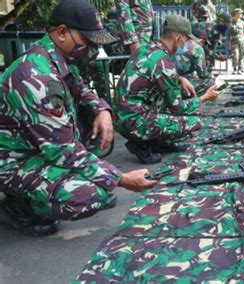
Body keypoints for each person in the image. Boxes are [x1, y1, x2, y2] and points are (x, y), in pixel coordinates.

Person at [0, 0, 157, 237]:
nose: (93, 51)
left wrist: (103, 110)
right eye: (88, 43)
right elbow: (63, 151)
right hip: (13, 161)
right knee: (89, 196)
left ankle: (47, 186)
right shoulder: (38, 77)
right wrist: (121, 179)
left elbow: (82, 89)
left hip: (35, 147)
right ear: (62, 32)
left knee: (97, 144)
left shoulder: (57, 58)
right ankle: (17, 206)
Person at [114, 15, 219, 164]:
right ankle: (141, 143)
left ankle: (159, 143)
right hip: (133, 123)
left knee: (166, 103)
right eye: (186, 40)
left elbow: (151, 75)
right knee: (194, 121)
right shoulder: (164, 61)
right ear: (178, 38)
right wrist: (205, 97)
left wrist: (180, 79)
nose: (186, 44)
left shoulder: (146, 48)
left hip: (121, 117)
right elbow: (178, 107)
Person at [172, 29, 215, 96]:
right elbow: (203, 74)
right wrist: (211, 77)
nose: (204, 46)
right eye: (204, 44)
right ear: (202, 41)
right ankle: (192, 103)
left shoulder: (181, 43)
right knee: (210, 83)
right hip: (174, 84)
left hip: (169, 79)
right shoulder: (197, 48)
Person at [230, 8, 244, 74]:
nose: (241, 14)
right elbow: (228, 33)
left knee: (242, 55)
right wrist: (229, 42)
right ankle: (234, 68)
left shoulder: (242, 23)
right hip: (234, 42)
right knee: (235, 55)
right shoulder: (231, 22)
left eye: (241, 13)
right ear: (236, 13)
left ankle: (240, 68)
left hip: (242, 41)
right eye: (240, 13)